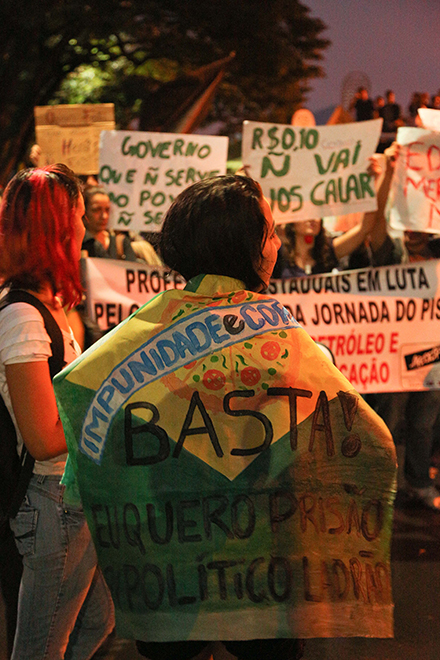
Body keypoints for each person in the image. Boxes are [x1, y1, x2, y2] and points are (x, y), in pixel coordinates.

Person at [54, 175, 396, 658]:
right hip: (267, 571)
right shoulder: (288, 340)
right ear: (244, 246)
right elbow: (373, 439)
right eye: (270, 233)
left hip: (168, 566)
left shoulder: (141, 332)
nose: (277, 245)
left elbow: (80, 389)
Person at [0, 164, 114, 659]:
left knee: (99, 621)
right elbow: (44, 437)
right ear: (57, 228)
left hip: (71, 497)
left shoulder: (50, 305)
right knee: (42, 648)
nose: (86, 227)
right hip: (52, 503)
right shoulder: (23, 317)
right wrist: (109, 403)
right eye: (80, 216)